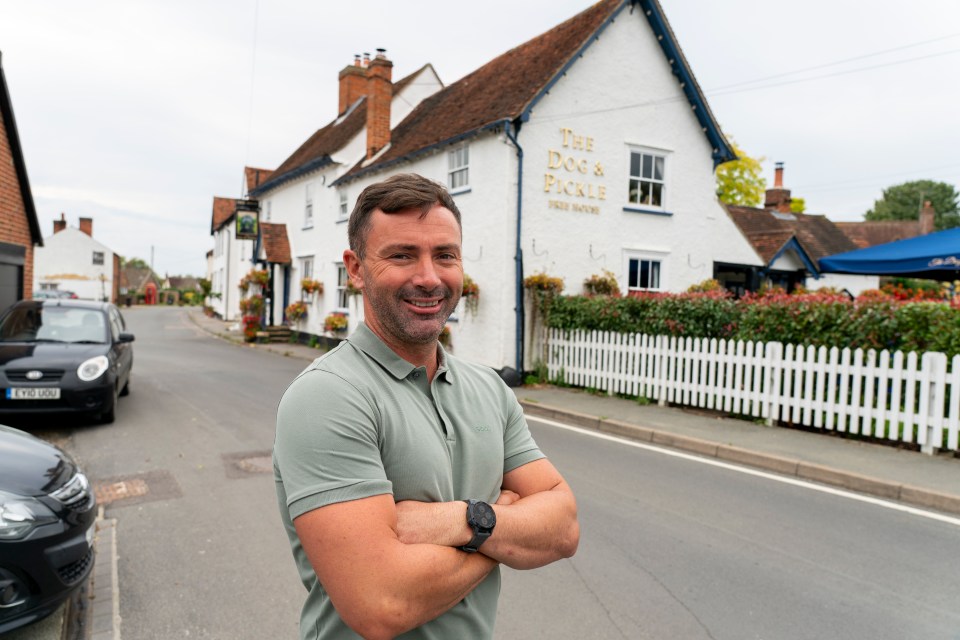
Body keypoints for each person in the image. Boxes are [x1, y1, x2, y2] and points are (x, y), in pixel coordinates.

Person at [274, 173, 579, 640]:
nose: (429, 277)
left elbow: (563, 528)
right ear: (355, 269)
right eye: (401, 255)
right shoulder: (328, 396)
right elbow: (383, 603)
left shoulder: (488, 388)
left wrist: (464, 521)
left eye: (445, 255)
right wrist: (505, 527)